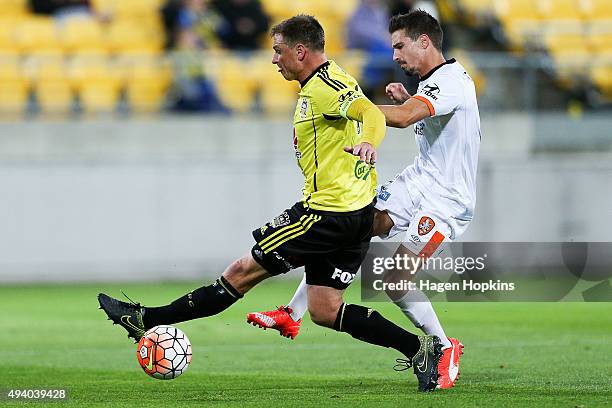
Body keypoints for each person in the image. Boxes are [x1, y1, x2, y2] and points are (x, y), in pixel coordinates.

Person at [98, 14, 444, 392]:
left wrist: (368, 143)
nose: (274, 60)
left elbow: (369, 114)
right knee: (325, 310)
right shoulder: (319, 84)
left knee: (240, 272)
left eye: (278, 52)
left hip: (326, 215)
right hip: (355, 216)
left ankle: (145, 319)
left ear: (300, 50)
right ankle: (420, 348)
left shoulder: (328, 85)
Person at [247, 10, 481, 390]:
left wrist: (348, 112)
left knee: (395, 280)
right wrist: (409, 101)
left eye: (400, 46)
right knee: (353, 220)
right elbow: (425, 118)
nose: (394, 56)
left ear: (425, 42)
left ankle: (443, 346)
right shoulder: (432, 82)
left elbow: (404, 119)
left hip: (445, 200)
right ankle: (293, 311)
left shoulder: (452, 81)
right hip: (418, 181)